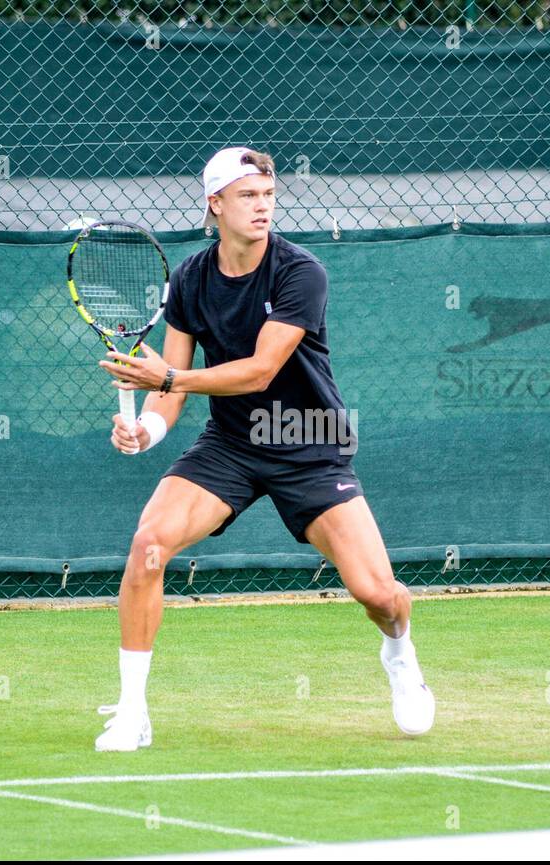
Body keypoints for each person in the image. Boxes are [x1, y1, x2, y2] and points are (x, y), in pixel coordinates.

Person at [94, 146, 433, 751]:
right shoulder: (191, 279)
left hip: (308, 441)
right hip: (229, 443)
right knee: (149, 544)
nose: (263, 206)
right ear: (215, 203)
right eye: (248, 195)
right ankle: (133, 710)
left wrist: (169, 382)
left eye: (269, 195)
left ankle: (400, 654)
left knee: (378, 594)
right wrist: (148, 429)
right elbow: (169, 385)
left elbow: (258, 370)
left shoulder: (301, 272)